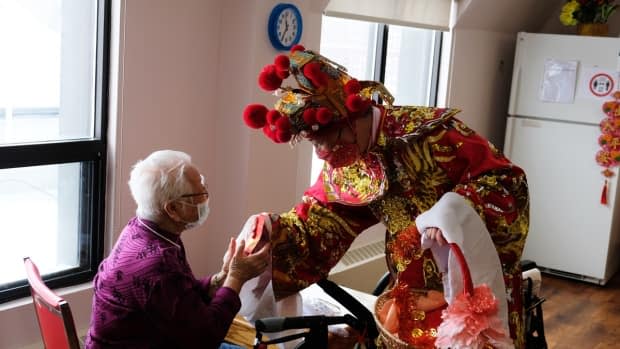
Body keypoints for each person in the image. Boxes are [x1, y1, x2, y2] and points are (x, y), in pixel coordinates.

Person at [241, 46, 529, 348]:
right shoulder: (348, 158)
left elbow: (507, 184)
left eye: (331, 142)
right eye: (316, 145)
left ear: (351, 119)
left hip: (472, 284)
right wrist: (274, 231)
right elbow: (323, 220)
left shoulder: (431, 135)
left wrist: (452, 214)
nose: (326, 155)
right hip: (410, 288)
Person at [85, 150, 270, 349]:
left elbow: (179, 297)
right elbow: (206, 338)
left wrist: (221, 278)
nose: (205, 199)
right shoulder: (158, 264)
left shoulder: (140, 230)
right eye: (200, 194)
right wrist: (237, 277)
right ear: (172, 209)